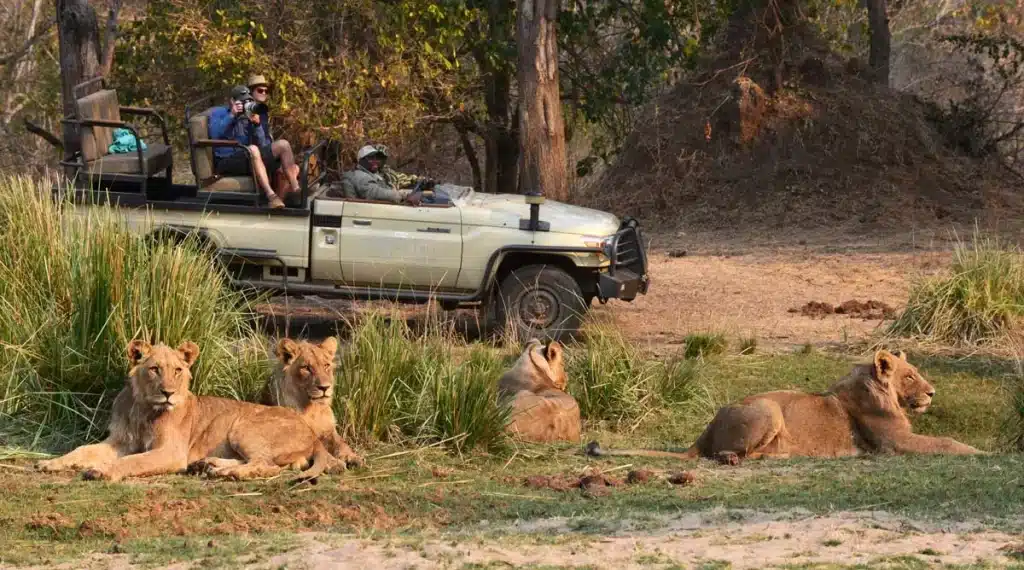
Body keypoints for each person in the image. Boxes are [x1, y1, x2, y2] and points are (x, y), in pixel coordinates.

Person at [208, 85, 299, 209]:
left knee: (283, 145)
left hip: (247, 157)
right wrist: (232, 115)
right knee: (253, 149)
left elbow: (264, 145)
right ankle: (271, 195)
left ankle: (295, 189)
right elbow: (214, 134)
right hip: (226, 160)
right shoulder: (218, 113)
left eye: (248, 101)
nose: (245, 105)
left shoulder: (248, 115)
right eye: (242, 102)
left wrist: (257, 125)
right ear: (232, 101)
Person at [338, 144, 426, 205]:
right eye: (371, 158)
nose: (375, 161)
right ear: (361, 161)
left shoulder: (373, 174)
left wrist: (411, 192)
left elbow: (389, 187)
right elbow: (374, 192)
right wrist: (403, 195)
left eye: (376, 158)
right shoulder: (359, 175)